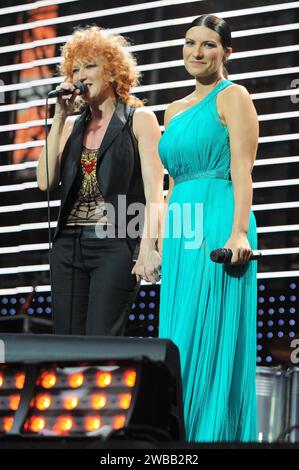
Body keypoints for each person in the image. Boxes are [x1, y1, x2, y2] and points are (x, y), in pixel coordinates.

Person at [158, 15, 259, 442]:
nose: (196, 53)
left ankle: (208, 438)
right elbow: (169, 185)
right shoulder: (173, 110)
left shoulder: (233, 97)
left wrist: (238, 233)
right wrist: (159, 241)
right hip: (182, 231)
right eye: (189, 43)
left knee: (209, 338)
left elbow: (243, 170)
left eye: (209, 45)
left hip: (218, 222)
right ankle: (174, 437)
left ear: (226, 52)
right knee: (176, 339)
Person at [37, 25, 163, 336]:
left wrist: (148, 248)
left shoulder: (139, 119)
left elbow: (154, 192)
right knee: (66, 342)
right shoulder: (69, 128)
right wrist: (58, 118)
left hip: (114, 242)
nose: (81, 75)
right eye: (75, 68)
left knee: (100, 338)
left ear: (113, 71)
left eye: (90, 65)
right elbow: (45, 182)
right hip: (68, 245)